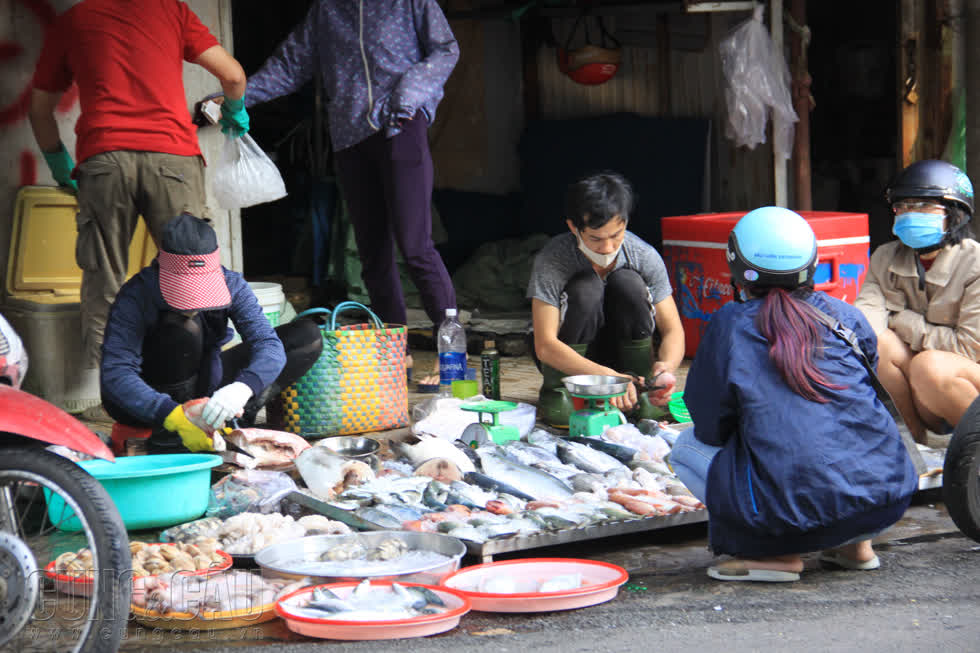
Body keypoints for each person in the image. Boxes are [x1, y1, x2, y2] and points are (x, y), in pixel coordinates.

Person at [669, 207, 918, 582]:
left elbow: (709, 425)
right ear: (812, 264)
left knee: (686, 446)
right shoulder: (845, 316)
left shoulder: (728, 325)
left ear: (736, 265)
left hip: (793, 513)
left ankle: (776, 556)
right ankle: (854, 546)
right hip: (886, 499)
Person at [231, 0, 459, 387]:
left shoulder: (411, 2)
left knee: (416, 245)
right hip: (350, 136)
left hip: (400, 126)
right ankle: (394, 353)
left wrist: (408, 93)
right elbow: (290, 66)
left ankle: (452, 357)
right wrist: (237, 99)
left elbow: (445, 49)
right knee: (373, 253)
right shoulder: (326, 11)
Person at [28, 0, 250, 376]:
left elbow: (38, 108)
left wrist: (58, 163)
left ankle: (115, 395)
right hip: (173, 158)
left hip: (104, 158)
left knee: (104, 281)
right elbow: (233, 76)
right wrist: (235, 109)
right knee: (191, 275)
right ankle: (194, 387)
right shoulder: (171, 10)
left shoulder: (74, 20)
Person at [100, 213, 322, 453]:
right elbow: (116, 373)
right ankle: (176, 430)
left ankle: (234, 418)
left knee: (306, 336)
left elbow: (267, 344)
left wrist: (243, 388)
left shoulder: (231, 283)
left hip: (203, 383)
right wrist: (172, 414)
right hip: (149, 399)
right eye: (185, 291)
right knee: (184, 330)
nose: (195, 303)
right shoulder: (136, 294)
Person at [526, 171, 685, 427]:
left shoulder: (643, 255)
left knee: (628, 283)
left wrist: (665, 369)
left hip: (622, 358)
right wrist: (606, 378)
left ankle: (642, 392)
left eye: (616, 235)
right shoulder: (553, 260)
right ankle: (559, 393)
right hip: (570, 360)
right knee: (585, 287)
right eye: (596, 239)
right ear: (573, 227)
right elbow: (545, 345)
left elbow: (673, 329)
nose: (608, 247)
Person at [854, 160, 980, 444]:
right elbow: (866, 323)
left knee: (928, 365)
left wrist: (901, 321)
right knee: (879, 346)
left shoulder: (976, 263)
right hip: (923, 390)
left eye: (923, 206)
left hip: (966, 382)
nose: (911, 214)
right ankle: (916, 443)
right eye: (904, 206)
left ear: (954, 214)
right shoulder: (884, 258)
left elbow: (968, 348)